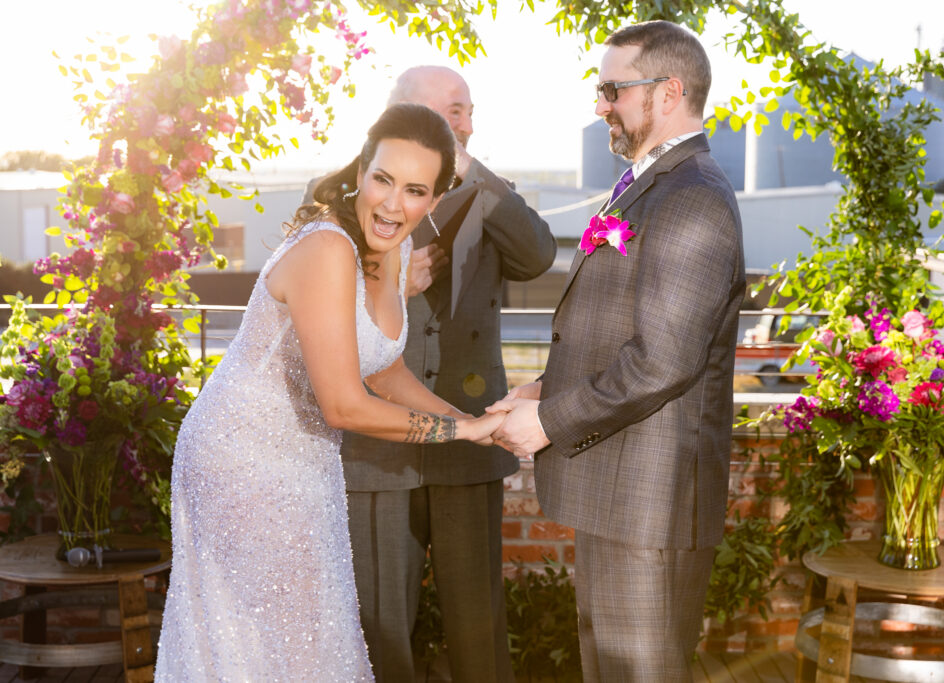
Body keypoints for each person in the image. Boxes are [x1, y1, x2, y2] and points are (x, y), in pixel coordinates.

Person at [155, 103, 505, 682]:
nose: (393, 204)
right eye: (383, 180)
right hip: (239, 454)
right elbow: (343, 403)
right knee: (274, 629)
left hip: (304, 455)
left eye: (414, 190)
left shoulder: (389, 253)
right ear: (362, 171)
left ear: (435, 201)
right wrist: (462, 432)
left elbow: (384, 371)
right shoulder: (328, 248)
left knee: (311, 625)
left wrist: (475, 420)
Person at [489, 21, 745, 682]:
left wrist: (546, 422)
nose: (601, 105)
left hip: (650, 506)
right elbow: (617, 329)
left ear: (668, 93)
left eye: (613, 90)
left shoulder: (693, 198)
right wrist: (547, 387)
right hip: (617, 491)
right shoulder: (647, 184)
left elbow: (664, 359)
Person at [339, 66, 556, 683]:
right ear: (397, 116)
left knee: (478, 630)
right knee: (379, 630)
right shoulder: (342, 192)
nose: (458, 124)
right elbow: (309, 304)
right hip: (376, 448)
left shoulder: (490, 191)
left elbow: (538, 257)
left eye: (464, 112)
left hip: (470, 439)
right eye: (444, 112)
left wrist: (474, 171)